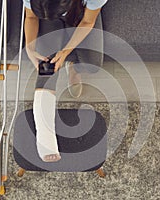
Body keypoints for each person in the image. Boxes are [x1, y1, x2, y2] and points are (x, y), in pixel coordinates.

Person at [24, 0, 107, 162]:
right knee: (47, 67)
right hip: (51, 15)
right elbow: (31, 17)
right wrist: (30, 48)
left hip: (82, 12)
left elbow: (88, 21)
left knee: (92, 65)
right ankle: (45, 136)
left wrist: (66, 50)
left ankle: (73, 67)